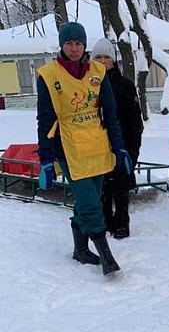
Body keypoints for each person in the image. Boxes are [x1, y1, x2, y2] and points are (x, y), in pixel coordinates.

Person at [36, 22, 133, 276]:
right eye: (69, 43)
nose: (74, 48)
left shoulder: (98, 72)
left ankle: (80, 250)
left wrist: (120, 148)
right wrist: (46, 159)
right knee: (91, 204)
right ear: (62, 45)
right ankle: (106, 256)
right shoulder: (49, 75)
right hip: (68, 147)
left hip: (97, 146)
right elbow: (45, 120)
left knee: (87, 201)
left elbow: (110, 114)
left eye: (78, 43)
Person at [90, 38, 144, 239]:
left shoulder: (125, 85)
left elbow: (134, 122)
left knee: (120, 188)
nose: (103, 61)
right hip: (96, 145)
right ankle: (105, 221)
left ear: (113, 60)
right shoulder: (87, 85)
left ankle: (122, 223)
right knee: (102, 187)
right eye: (98, 57)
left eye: (106, 57)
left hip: (121, 144)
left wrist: (132, 151)